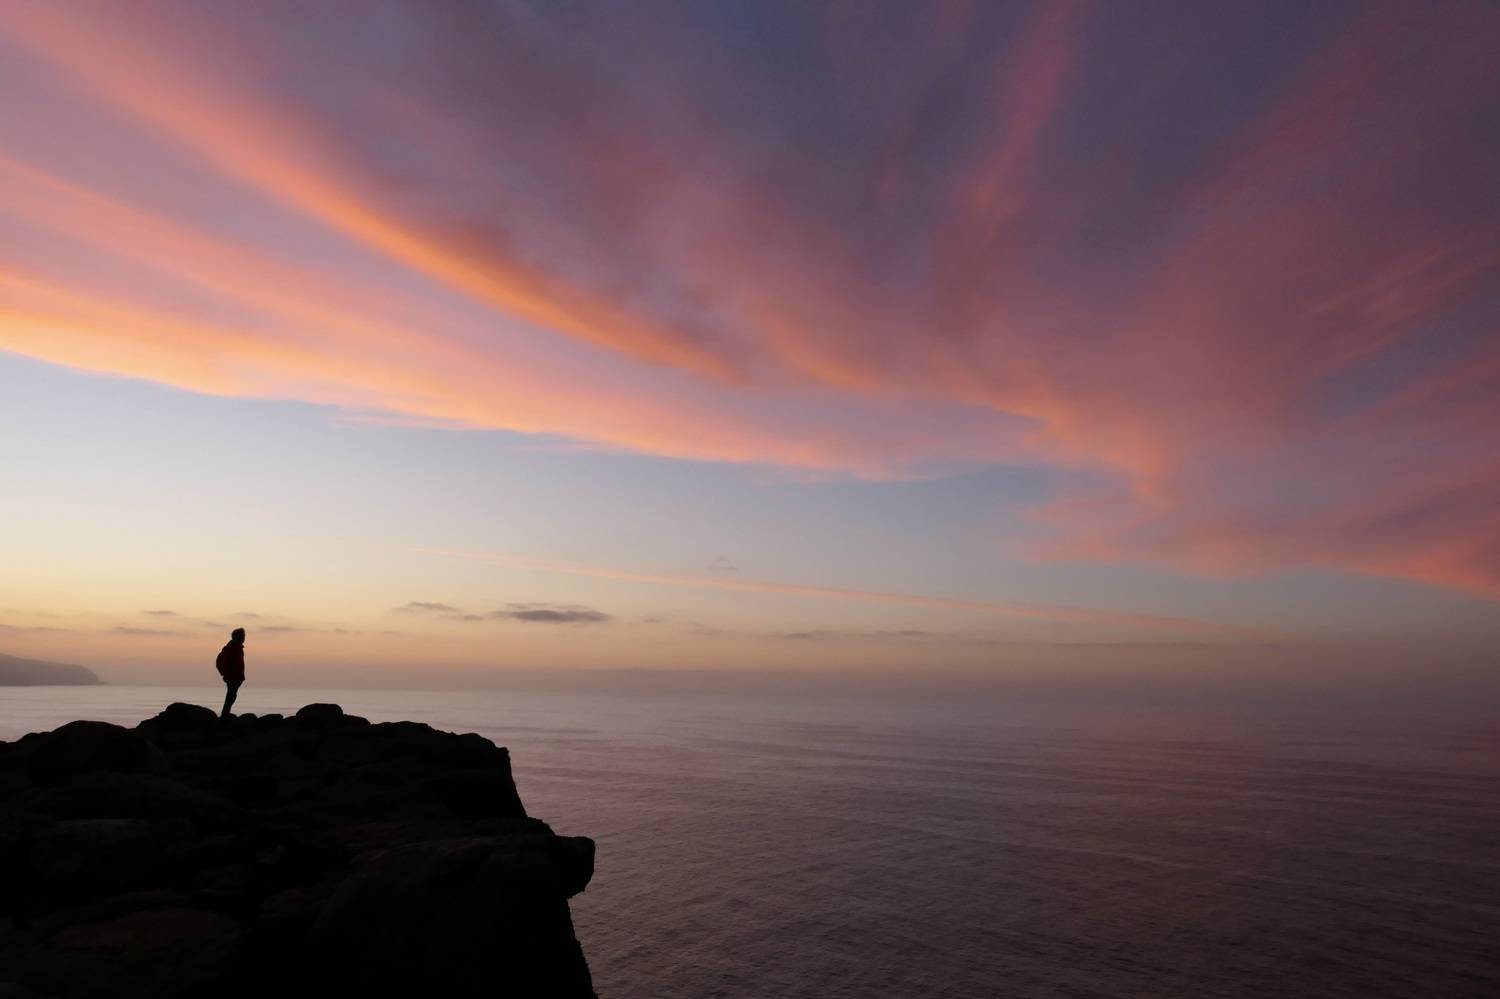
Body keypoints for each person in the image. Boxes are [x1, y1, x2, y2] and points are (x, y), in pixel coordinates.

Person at [216, 627, 246, 719]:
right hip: (233, 676)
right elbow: (221, 661)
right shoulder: (232, 647)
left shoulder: (235, 647)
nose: (244, 638)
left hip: (236, 676)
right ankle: (225, 714)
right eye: (243, 636)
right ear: (239, 637)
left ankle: (225, 713)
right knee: (231, 695)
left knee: (232, 695)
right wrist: (225, 673)